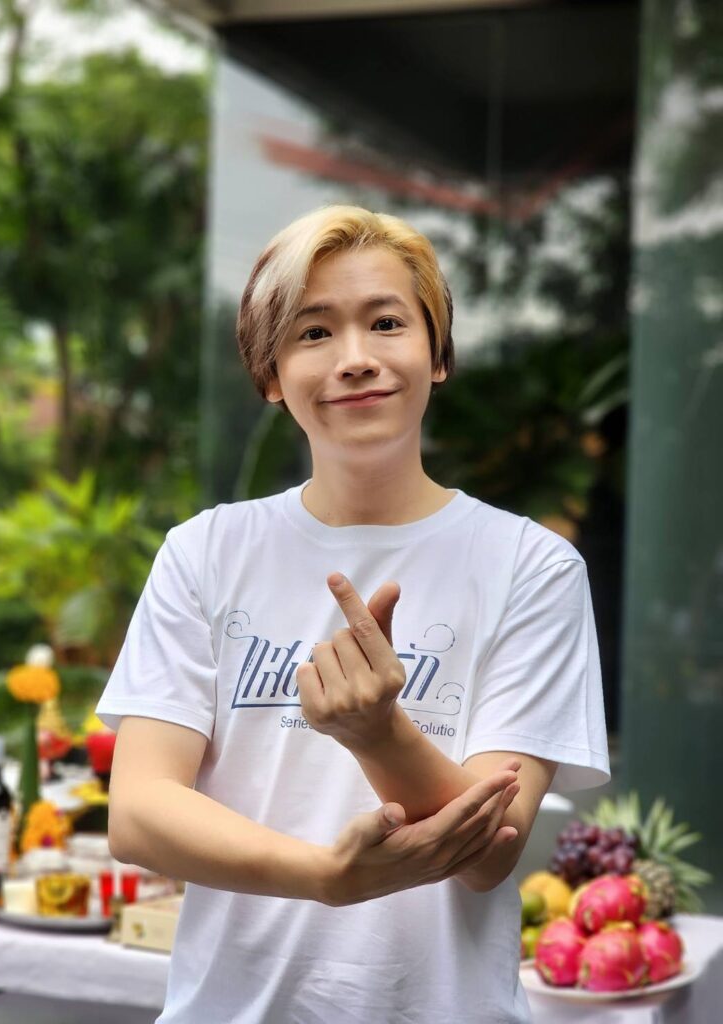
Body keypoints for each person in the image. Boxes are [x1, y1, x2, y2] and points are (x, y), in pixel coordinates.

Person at [97, 204, 611, 1023]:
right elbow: (138, 814)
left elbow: (492, 851)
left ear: (437, 355)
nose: (356, 358)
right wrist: (325, 877)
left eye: (386, 322)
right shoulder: (206, 552)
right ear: (271, 375)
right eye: (314, 332)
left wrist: (378, 734)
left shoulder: (531, 567)